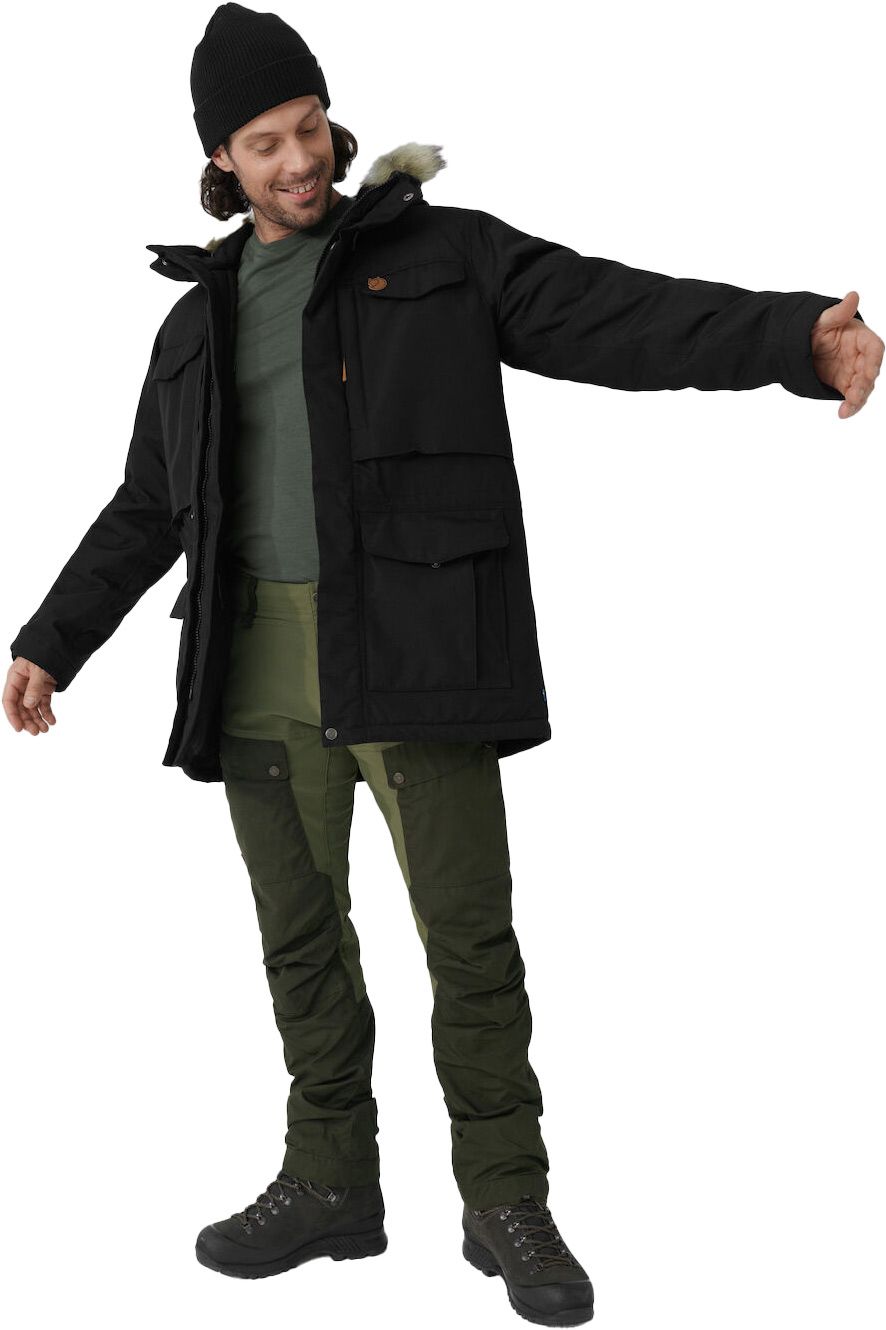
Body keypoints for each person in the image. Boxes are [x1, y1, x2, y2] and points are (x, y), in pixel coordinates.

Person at [4, 4, 881, 1325]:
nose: (299, 160)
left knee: (469, 945)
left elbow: (613, 314)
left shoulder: (441, 256)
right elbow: (148, 505)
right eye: (264, 143)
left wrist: (793, 337)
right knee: (301, 945)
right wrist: (49, 640)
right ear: (220, 160)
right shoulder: (194, 324)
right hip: (251, 676)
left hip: (413, 651)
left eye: (309, 129)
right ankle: (329, 1181)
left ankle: (504, 1196)